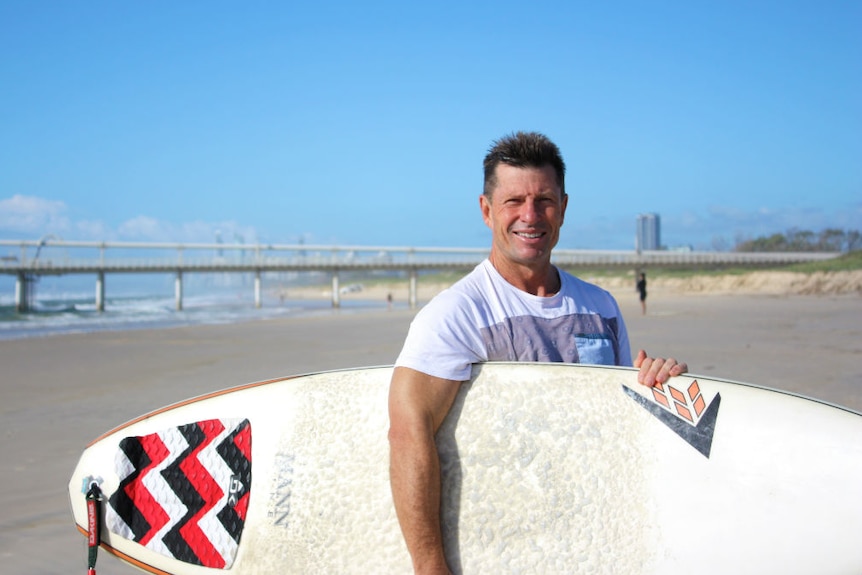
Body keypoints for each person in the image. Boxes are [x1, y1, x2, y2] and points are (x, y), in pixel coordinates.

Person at [387, 131, 687, 575]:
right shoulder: (458, 314)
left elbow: (621, 427)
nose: (530, 215)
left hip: (595, 540)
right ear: (487, 211)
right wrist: (430, 566)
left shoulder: (601, 307)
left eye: (544, 200)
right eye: (513, 201)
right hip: (505, 545)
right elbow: (408, 432)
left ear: (563, 207)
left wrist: (659, 385)